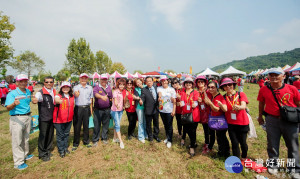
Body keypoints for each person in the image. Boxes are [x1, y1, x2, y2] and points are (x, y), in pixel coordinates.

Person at [257, 68, 300, 178]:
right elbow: (261, 103)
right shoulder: (263, 89)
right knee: (272, 143)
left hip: (290, 120)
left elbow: (298, 103)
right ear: (268, 77)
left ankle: (294, 168)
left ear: (283, 76)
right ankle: (273, 165)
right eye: (271, 75)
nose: (274, 77)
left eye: (276, 75)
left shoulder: (292, 88)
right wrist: (260, 116)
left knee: (292, 144)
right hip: (271, 119)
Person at [5, 74, 37, 170]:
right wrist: (14, 104)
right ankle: (18, 162)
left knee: (25, 138)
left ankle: (25, 154)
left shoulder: (28, 91)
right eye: (21, 81)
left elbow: (30, 101)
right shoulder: (12, 94)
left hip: (27, 116)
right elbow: (7, 108)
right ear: (17, 82)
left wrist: (34, 100)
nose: (23, 83)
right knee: (17, 140)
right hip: (17, 118)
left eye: (25, 81)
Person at [220, 77, 249, 160]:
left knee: (243, 142)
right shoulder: (224, 97)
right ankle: (236, 159)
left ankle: (244, 157)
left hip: (242, 122)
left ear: (233, 85)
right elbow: (225, 108)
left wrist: (239, 107)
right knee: (234, 142)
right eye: (225, 85)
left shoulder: (240, 94)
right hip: (231, 123)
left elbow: (244, 105)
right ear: (223, 88)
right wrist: (221, 105)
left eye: (230, 84)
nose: (228, 86)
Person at [204, 80, 230, 158]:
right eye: (209, 87)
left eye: (213, 87)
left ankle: (225, 153)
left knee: (221, 137)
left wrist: (210, 103)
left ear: (217, 88)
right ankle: (222, 152)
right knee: (219, 137)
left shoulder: (219, 97)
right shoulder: (212, 96)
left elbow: (216, 109)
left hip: (220, 119)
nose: (210, 89)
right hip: (215, 119)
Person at [33, 76, 56, 161]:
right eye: (47, 82)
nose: (49, 83)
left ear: (53, 83)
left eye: (50, 82)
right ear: (44, 83)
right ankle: (42, 154)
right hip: (44, 118)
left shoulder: (54, 91)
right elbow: (36, 99)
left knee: (50, 135)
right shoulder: (40, 93)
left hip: (52, 117)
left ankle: (48, 150)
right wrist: (35, 100)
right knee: (43, 136)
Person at [72, 73, 93, 151]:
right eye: (82, 78)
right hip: (78, 108)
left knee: (86, 126)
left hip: (87, 108)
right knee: (77, 126)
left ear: (87, 79)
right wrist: (76, 94)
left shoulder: (90, 88)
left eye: (85, 78)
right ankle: (75, 143)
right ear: (79, 79)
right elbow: (75, 94)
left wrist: (91, 110)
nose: (83, 80)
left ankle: (86, 141)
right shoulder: (76, 87)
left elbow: (91, 99)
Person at [53, 81, 74, 158]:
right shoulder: (58, 96)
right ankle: (61, 150)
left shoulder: (71, 96)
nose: (65, 88)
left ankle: (65, 148)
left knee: (66, 134)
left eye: (67, 87)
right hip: (59, 120)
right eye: (64, 87)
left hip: (69, 119)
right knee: (60, 135)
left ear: (70, 88)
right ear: (61, 88)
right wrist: (59, 101)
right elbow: (56, 100)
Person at [180, 77, 200, 156]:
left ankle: (192, 146)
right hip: (185, 114)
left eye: (190, 83)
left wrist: (195, 104)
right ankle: (193, 142)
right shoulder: (182, 92)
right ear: (184, 84)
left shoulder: (195, 92)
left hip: (194, 114)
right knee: (187, 130)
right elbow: (182, 101)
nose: (188, 84)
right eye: (186, 83)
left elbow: (196, 103)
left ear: (192, 84)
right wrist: (181, 104)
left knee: (193, 131)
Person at [92, 74, 113, 146]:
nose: (104, 81)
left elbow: (110, 97)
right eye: (102, 79)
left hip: (107, 109)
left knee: (105, 125)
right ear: (100, 80)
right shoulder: (96, 87)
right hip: (98, 110)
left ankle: (104, 138)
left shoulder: (109, 88)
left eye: (105, 79)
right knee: (97, 125)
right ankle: (95, 139)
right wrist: (101, 97)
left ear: (107, 80)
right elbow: (95, 94)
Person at [140, 76, 161, 143]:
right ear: (145, 82)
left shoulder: (156, 88)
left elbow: (159, 95)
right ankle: (150, 137)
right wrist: (141, 101)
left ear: (153, 81)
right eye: (147, 81)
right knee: (148, 124)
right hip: (148, 109)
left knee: (156, 123)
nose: (149, 82)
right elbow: (142, 97)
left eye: (150, 81)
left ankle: (156, 135)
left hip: (156, 109)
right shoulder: (144, 89)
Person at [157, 76, 176, 148]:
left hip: (169, 110)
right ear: (161, 82)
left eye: (165, 81)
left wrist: (174, 110)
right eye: (162, 81)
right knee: (165, 125)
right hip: (162, 110)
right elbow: (159, 93)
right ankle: (167, 137)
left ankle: (170, 140)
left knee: (169, 125)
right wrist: (159, 96)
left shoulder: (172, 89)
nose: (164, 82)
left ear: (168, 81)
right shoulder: (159, 88)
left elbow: (174, 101)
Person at [194, 76, 211, 154]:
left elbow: (208, 102)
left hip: (206, 113)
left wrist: (204, 95)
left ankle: (207, 143)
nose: (200, 83)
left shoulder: (208, 91)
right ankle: (193, 142)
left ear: (205, 83)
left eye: (202, 82)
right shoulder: (196, 92)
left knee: (206, 130)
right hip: (198, 112)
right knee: (194, 128)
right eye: (199, 82)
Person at [111, 78, 126, 149]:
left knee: (117, 124)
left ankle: (114, 138)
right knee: (118, 125)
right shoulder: (115, 92)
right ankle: (121, 141)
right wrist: (116, 104)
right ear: (118, 85)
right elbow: (115, 100)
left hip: (120, 111)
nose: (121, 86)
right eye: (120, 85)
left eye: (123, 85)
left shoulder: (123, 92)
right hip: (115, 111)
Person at [171, 78, 185, 146]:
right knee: (178, 122)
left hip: (183, 109)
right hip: (177, 109)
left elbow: (186, 99)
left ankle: (184, 137)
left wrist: (180, 98)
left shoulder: (183, 89)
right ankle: (180, 133)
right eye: (173, 83)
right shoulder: (173, 90)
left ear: (178, 83)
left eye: (175, 83)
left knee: (184, 123)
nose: (174, 84)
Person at [133, 78, 148, 143]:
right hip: (139, 107)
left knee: (145, 121)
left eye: (139, 82)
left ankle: (145, 134)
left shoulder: (146, 87)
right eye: (137, 83)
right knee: (141, 122)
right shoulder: (136, 89)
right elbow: (136, 97)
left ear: (142, 81)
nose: (138, 83)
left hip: (147, 107)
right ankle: (141, 136)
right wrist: (138, 99)